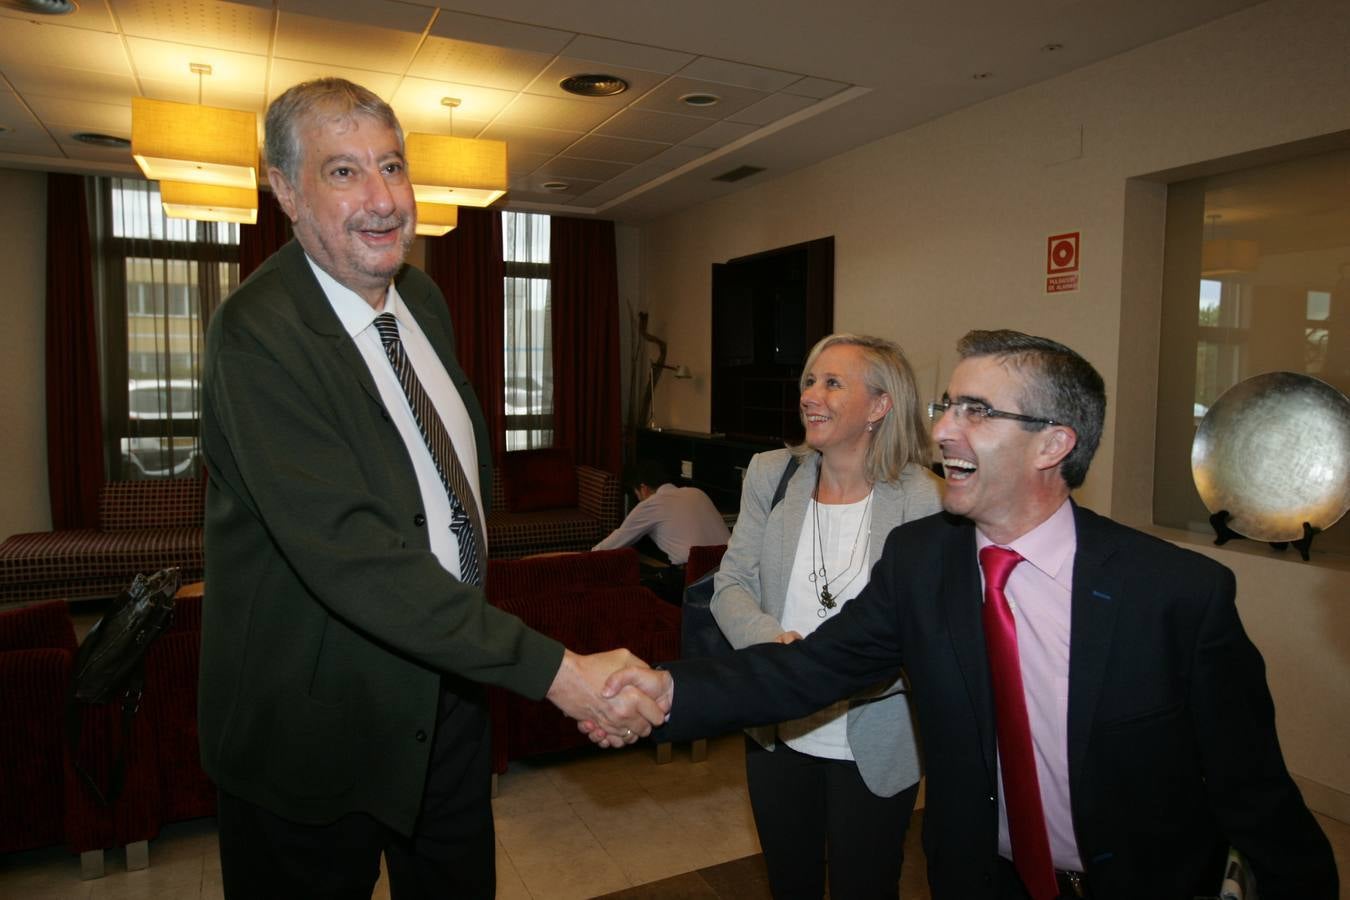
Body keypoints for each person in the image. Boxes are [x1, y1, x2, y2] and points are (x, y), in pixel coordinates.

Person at [600, 330, 1338, 899]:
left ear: (1054, 443)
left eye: (977, 412)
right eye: (947, 406)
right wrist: (668, 692)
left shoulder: (1178, 594)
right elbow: (810, 668)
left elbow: (1257, 798)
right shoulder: (924, 561)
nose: (946, 429)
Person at [198, 78, 662, 899]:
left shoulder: (421, 295)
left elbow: (446, 485)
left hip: (446, 697)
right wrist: (560, 673)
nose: (383, 201)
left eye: (393, 166)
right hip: (315, 726)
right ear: (284, 189)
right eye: (344, 173)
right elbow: (355, 555)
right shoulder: (256, 333)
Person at [711, 333, 941, 899]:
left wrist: (832, 668)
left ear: (880, 406)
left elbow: (921, 631)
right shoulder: (771, 475)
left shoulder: (922, 499)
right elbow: (730, 586)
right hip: (777, 734)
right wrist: (779, 648)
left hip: (876, 743)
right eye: (809, 381)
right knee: (791, 885)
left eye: (833, 383)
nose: (811, 395)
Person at [593, 459, 730, 566]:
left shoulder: (651, 504)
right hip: (731, 568)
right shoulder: (697, 492)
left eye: (637, 495)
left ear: (643, 488)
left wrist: (582, 557)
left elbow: (615, 542)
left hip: (695, 576)